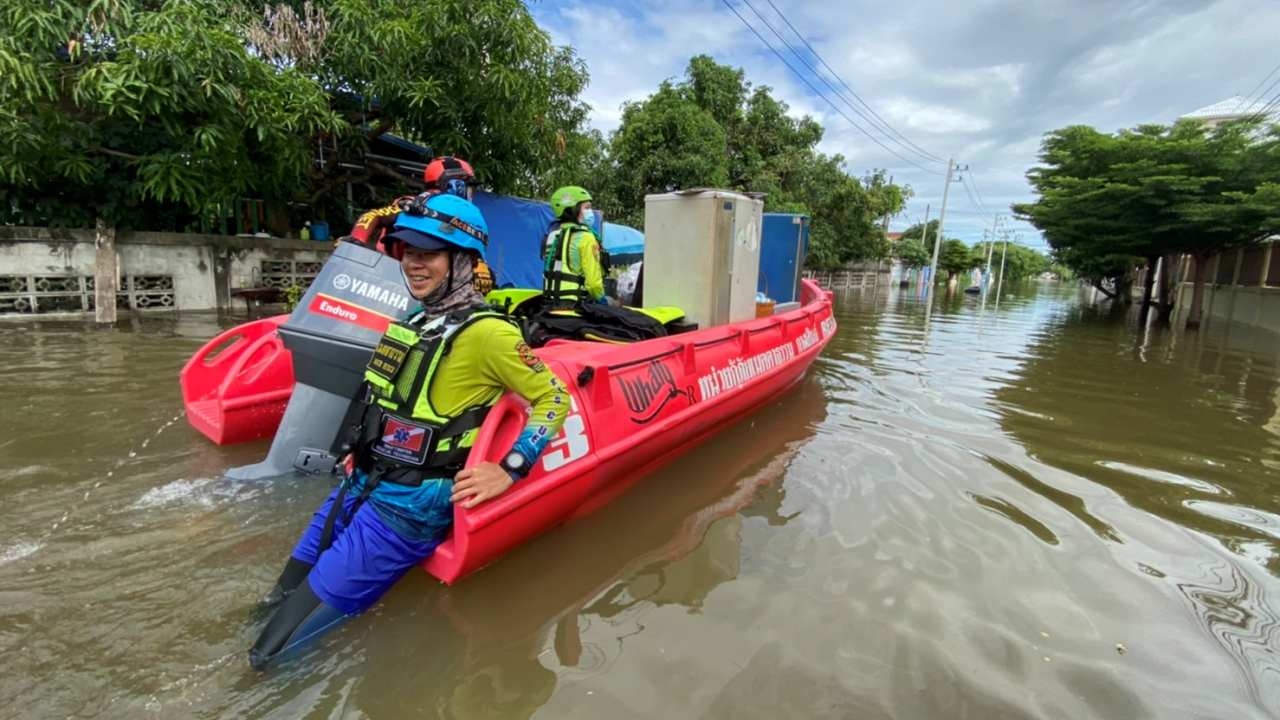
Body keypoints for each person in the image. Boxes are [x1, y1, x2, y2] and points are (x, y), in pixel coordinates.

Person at [250, 193, 569, 669]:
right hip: (364, 481)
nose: (414, 265)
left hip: (409, 509)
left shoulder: (491, 334)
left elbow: (554, 398)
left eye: (429, 254)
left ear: (461, 260)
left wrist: (509, 469)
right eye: (408, 253)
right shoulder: (415, 318)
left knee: (269, 653)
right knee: (273, 601)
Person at [542, 185, 607, 306]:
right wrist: (602, 300)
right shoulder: (586, 237)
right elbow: (593, 284)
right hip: (576, 304)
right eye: (586, 208)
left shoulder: (552, 235)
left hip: (550, 302)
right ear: (573, 209)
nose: (590, 212)